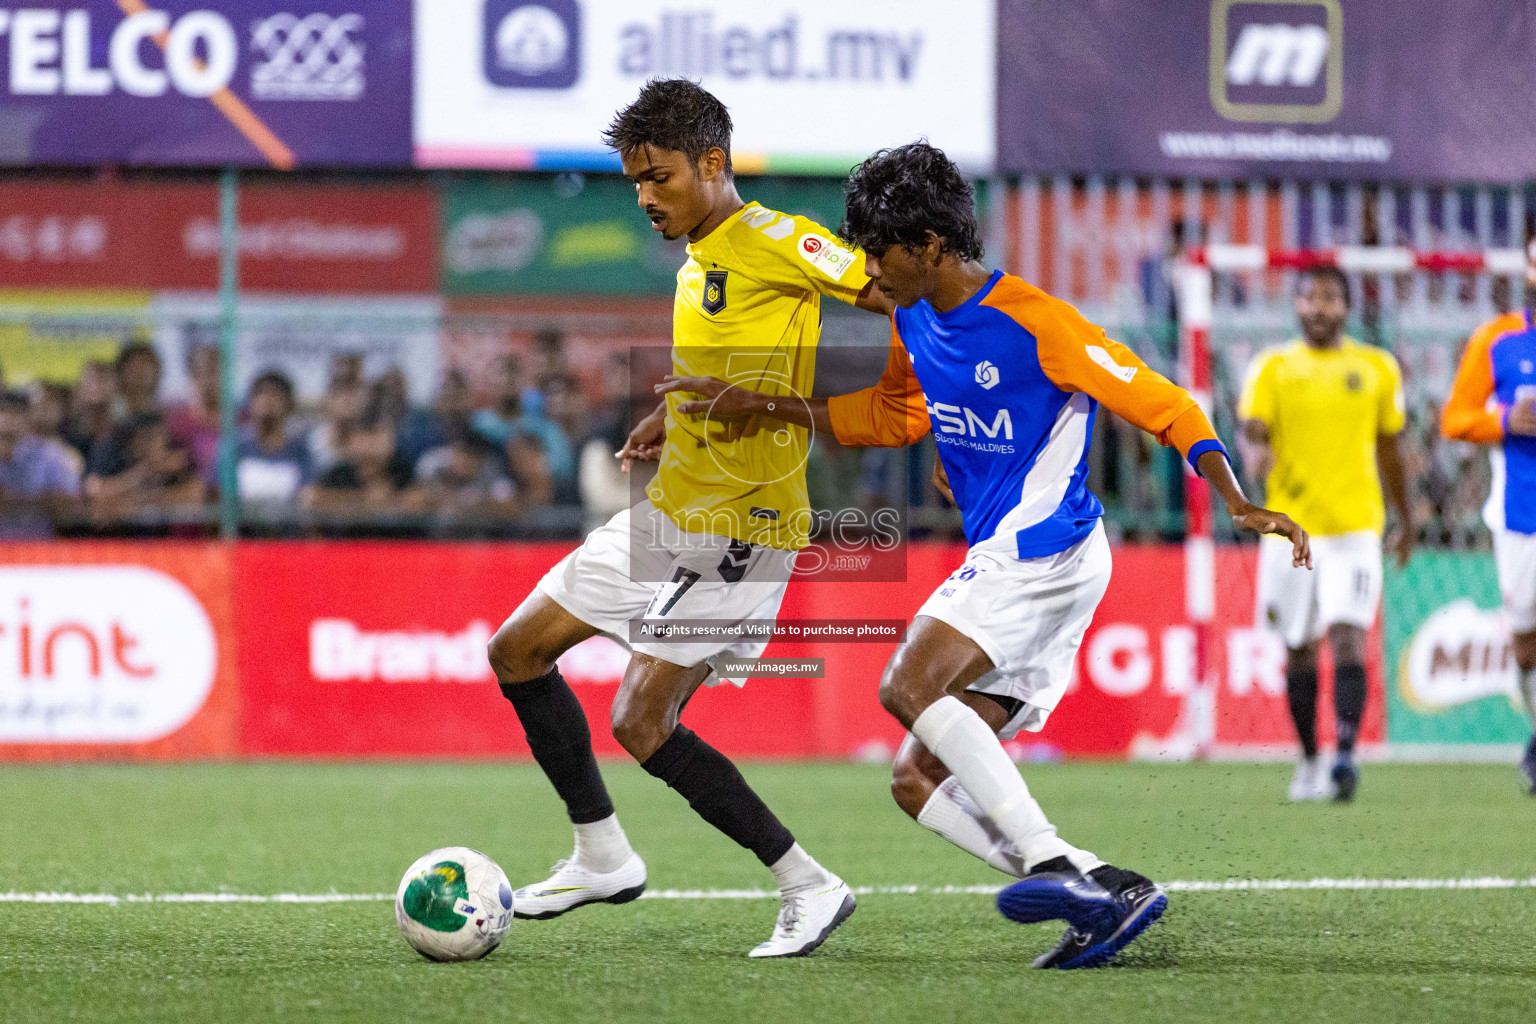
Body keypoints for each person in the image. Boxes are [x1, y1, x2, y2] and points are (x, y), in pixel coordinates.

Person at [660, 141, 1309, 970]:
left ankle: (1048, 865)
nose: (866, 268)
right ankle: (1102, 888)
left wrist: (1237, 499)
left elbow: (1167, 403)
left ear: (929, 244)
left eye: (878, 249)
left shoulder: (1039, 322)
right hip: (1026, 556)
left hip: (1046, 549)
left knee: (907, 684)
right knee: (914, 782)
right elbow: (898, 414)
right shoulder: (910, 312)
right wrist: (771, 408)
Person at [486, 79, 891, 958]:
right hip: (673, 508)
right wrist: (671, 415)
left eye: (658, 177)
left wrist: (891, 405)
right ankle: (602, 855)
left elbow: (901, 294)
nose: (643, 197)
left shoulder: (781, 241)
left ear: (713, 164)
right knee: (516, 651)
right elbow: (724, 366)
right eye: (633, 181)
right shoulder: (698, 254)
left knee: (641, 720)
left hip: (745, 527)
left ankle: (808, 885)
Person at [1238, 264, 1412, 803]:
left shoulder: (1378, 368)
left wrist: (1406, 516)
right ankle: (1310, 761)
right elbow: (1252, 431)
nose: (1319, 307)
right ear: (1296, 304)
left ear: (1346, 306)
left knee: (1348, 635)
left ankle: (1343, 756)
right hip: (1291, 532)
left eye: (1330, 298)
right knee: (1299, 648)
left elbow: (1390, 448)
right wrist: (1255, 455)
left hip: (1356, 527)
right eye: (1310, 297)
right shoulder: (1272, 367)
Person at [1440, 239, 1536, 793]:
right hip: (1521, 513)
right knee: (1526, 644)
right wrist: (1505, 419)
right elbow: (1455, 418)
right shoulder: (1496, 339)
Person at [0, 389, 81, 538]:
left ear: (27, 419)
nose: (8, 420)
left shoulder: (49, 455)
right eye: (4, 412)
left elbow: (72, 503)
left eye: (15, 413)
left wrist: (19, 501)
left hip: (38, 549)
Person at [236, 371, 314, 506]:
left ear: (288, 403)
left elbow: (308, 495)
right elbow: (218, 493)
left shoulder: (300, 451)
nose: (267, 400)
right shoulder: (235, 447)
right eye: (261, 394)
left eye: (275, 395)